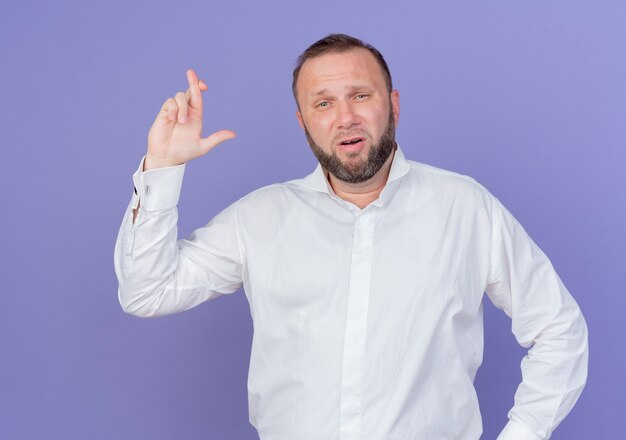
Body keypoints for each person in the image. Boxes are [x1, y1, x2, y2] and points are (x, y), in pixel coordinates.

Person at [114, 34, 588, 440]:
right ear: (303, 123)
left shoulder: (465, 208)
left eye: (360, 95)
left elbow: (558, 330)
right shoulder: (259, 218)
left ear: (394, 104)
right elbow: (146, 293)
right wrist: (163, 167)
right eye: (323, 103)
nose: (345, 117)